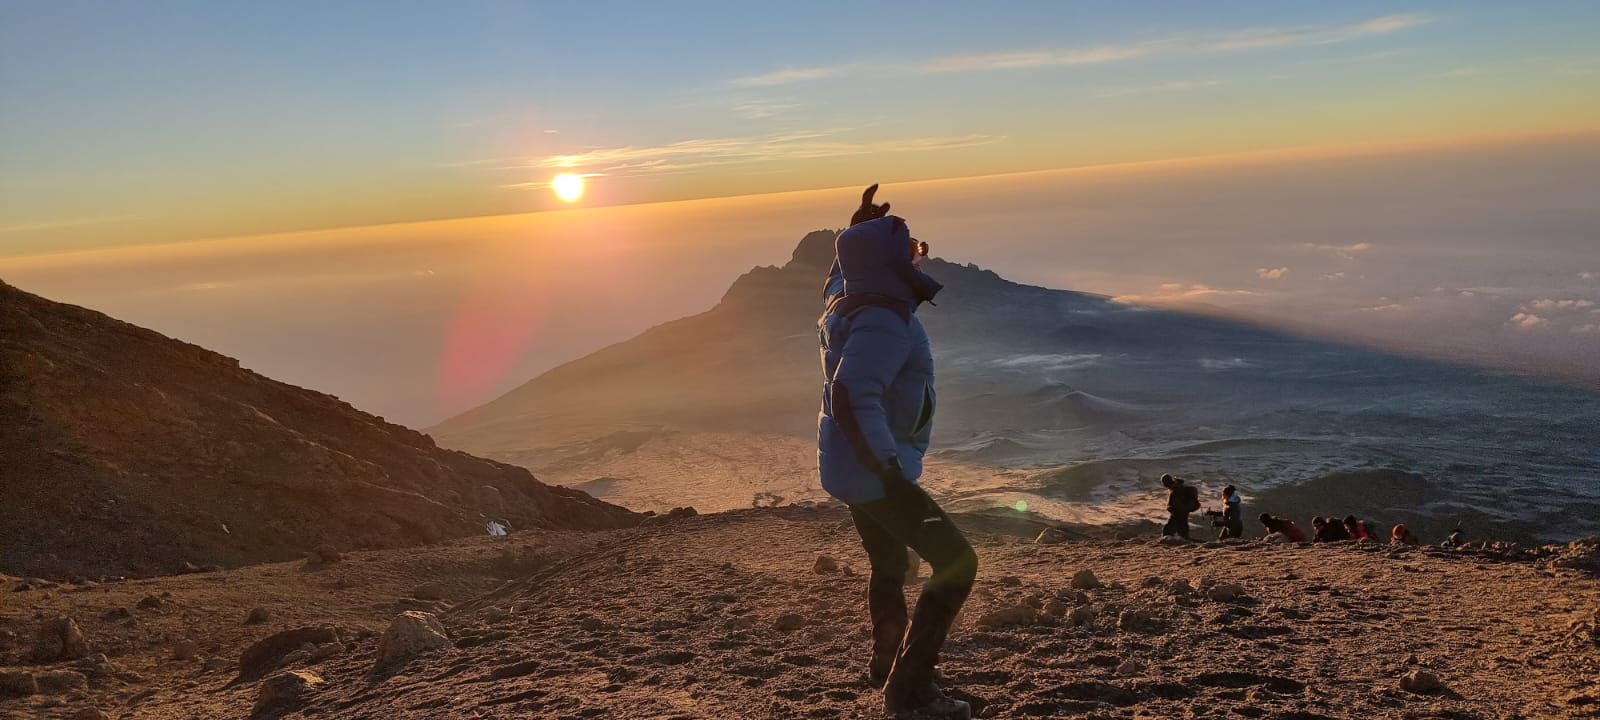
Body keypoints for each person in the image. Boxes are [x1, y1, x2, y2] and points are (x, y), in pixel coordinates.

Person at [819, 184, 975, 719]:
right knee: (957, 562)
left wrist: (858, 227)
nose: (917, 253)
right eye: (909, 247)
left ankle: (889, 657)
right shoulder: (884, 318)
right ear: (888, 260)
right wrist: (887, 469)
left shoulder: (848, 301)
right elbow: (850, 392)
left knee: (889, 563)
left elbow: (840, 276)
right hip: (872, 472)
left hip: (848, 468)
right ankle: (909, 692)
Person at [1160, 474, 1200, 539]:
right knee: (1182, 529)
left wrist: (1171, 509)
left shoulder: (1175, 489)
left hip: (1178, 512)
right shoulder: (1178, 487)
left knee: (1168, 530)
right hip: (1184, 511)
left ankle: (1169, 541)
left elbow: (1176, 503)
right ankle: (1185, 540)